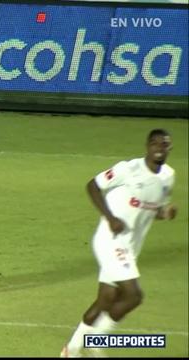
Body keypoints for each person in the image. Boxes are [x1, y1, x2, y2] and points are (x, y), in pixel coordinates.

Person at [60, 129, 176, 357]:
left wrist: (166, 213)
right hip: (110, 240)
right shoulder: (128, 169)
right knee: (133, 295)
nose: (159, 149)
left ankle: (71, 350)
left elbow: (153, 210)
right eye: (155, 144)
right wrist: (110, 218)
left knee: (107, 299)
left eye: (164, 145)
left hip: (130, 246)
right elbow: (92, 185)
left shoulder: (168, 177)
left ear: (169, 149)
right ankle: (95, 342)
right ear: (147, 146)